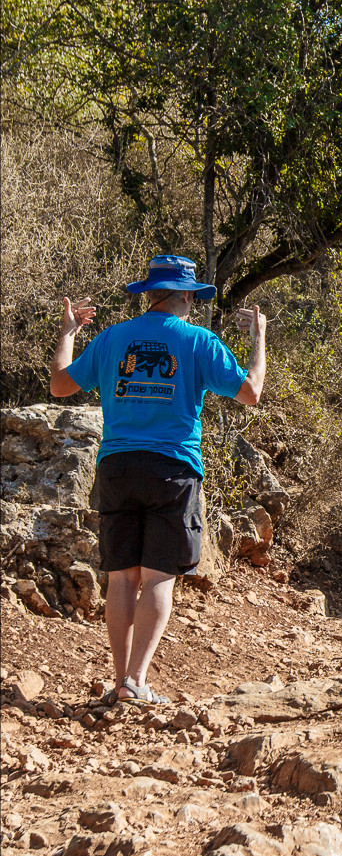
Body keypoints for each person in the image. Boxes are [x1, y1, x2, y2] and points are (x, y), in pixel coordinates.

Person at [49, 253, 266, 704]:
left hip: (117, 468)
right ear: (186, 294)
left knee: (122, 578)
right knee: (159, 577)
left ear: (149, 293)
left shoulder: (112, 339)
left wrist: (68, 334)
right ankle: (137, 681)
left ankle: (120, 681)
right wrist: (259, 341)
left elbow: (60, 386)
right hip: (172, 469)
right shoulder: (198, 341)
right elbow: (251, 392)